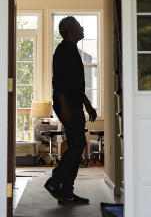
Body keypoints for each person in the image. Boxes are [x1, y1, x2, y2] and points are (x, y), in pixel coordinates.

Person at [44, 16, 97, 205]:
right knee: (77, 144)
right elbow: (58, 82)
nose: (82, 27)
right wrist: (64, 107)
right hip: (67, 105)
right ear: (71, 31)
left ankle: (66, 192)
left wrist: (88, 105)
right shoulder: (63, 51)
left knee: (77, 144)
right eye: (78, 25)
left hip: (74, 104)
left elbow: (76, 85)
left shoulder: (73, 50)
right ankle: (55, 181)